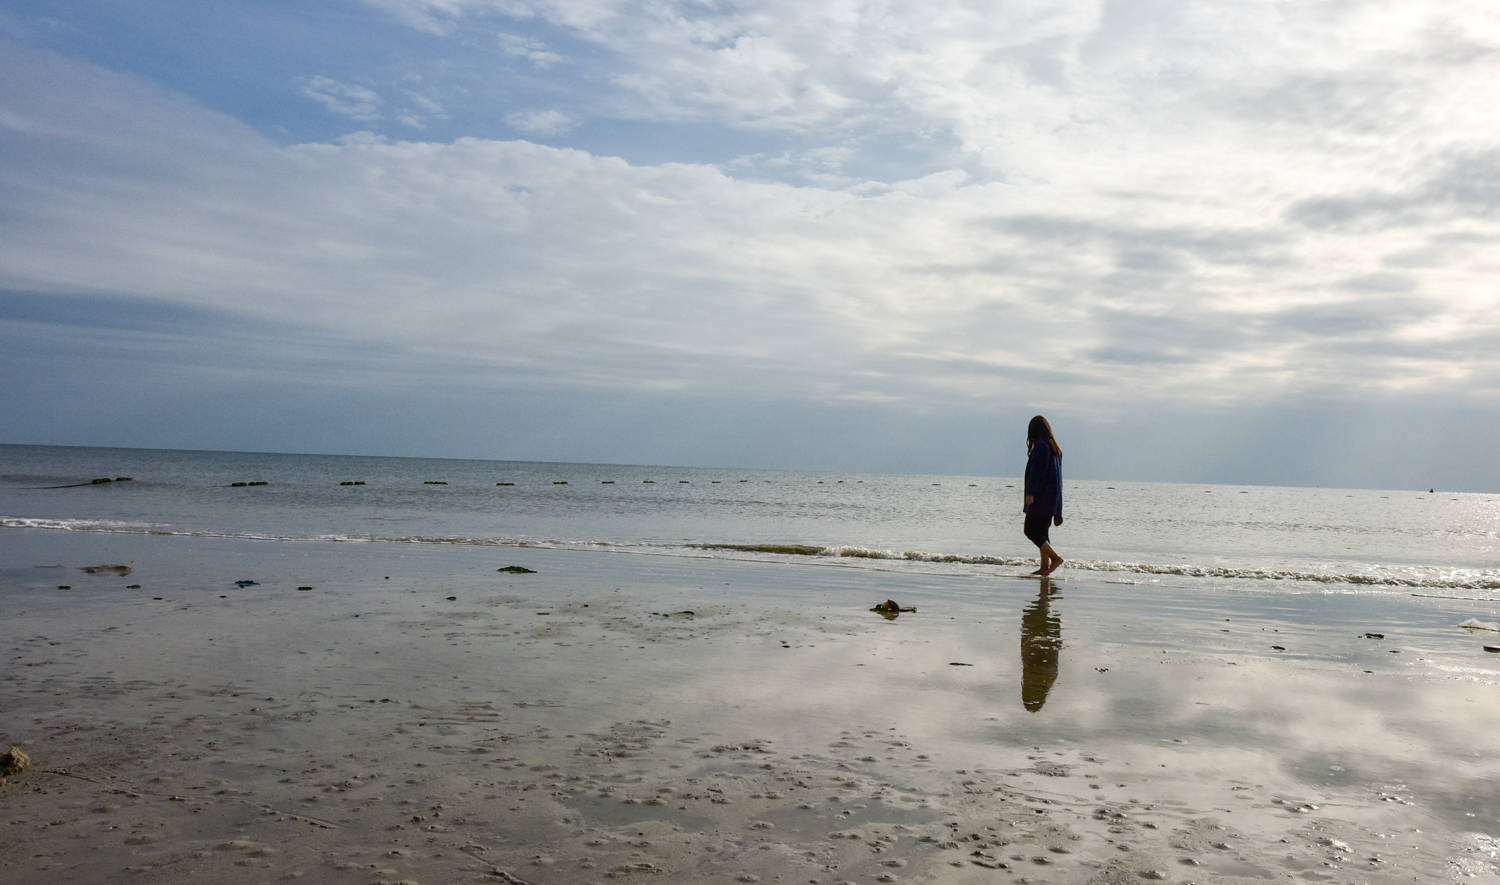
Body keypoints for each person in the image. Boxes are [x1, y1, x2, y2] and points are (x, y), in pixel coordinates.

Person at [1023, 415, 1064, 576]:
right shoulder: (1055, 448)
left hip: (1041, 497)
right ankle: (1044, 567)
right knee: (1043, 532)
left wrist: (1030, 493)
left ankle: (1055, 558)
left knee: (1030, 530)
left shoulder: (1041, 446)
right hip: (1053, 498)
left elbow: (1036, 472)